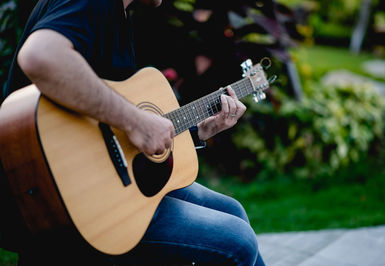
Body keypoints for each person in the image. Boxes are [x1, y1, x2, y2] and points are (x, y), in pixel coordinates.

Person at [1, 0, 266, 265]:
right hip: (65, 204)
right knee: (237, 240)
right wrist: (136, 121)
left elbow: (111, 132)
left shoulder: (117, 15)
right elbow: (40, 56)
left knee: (233, 211)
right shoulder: (93, 4)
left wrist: (198, 132)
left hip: (104, 185)